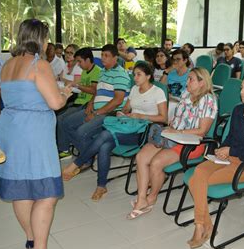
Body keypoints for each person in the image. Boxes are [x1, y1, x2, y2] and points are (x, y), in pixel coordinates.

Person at [0, 19, 71, 249]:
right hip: (32, 134)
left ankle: (30, 237)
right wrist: (65, 94)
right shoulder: (39, 64)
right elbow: (55, 103)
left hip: (9, 128)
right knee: (47, 193)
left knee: (20, 188)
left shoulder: (6, 64)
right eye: (46, 38)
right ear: (40, 39)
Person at [187, 74, 244, 248]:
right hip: (227, 157)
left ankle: (199, 226)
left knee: (196, 181)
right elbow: (230, 137)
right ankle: (207, 225)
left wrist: (232, 150)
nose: (242, 91)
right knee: (198, 173)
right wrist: (222, 149)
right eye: (241, 87)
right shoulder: (237, 110)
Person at [62, 63, 168, 201]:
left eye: (139, 75)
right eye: (134, 74)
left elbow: (164, 118)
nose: (135, 78)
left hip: (144, 132)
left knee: (105, 135)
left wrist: (142, 116)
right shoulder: (135, 89)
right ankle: (101, 186)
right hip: (128, 127)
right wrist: (122, 113)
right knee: (105, 145)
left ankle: (77, 163)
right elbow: (126, 109)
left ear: (148, 76)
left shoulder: (157, 92)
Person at [128, 67, 218, 219]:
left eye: (191, 79)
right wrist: (170, 128)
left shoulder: (208, 100)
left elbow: (202, 131)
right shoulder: (185, 94)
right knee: (141, 157)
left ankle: (152, 197)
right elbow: (176, 119)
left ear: (202, 83)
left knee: (156, 163)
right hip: (173, 136)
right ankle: (142, 198)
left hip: (191, 143)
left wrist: (178, 132)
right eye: (188, 78)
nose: (187, 82)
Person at [57, 44, 131, 159]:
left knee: (81, 132)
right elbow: (98, 91)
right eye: (102, 55)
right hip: (95, 108)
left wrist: (96, 113)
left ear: (115, 58)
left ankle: (86, 157)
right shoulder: (102, 72)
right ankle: (88, 155)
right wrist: (91, 103)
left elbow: (118, 100)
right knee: (66, 123)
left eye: (106, 56)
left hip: (110, 113)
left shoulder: (120, 74)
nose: (102, 58)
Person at [57, 48, 101, 157]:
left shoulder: (97, 71)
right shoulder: (85, 71)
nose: (79, 64)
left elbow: (94, 90)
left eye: (80, 61)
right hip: (79, 101)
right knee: (59, 118)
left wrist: (77, 85)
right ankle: (66, 148)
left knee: (65, 122)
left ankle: (84, 150)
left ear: (87, 60)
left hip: (86, 104)